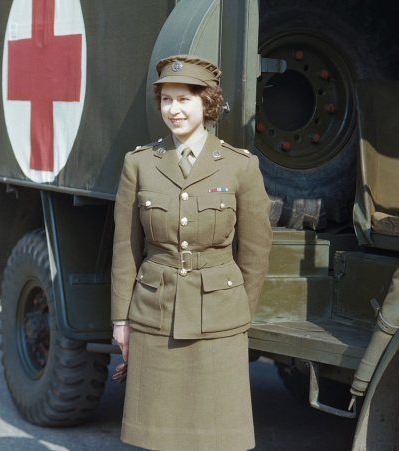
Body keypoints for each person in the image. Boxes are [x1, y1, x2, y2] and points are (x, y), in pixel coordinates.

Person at [111, 54, 272, 450]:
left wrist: (237, 310)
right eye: (166, 99)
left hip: (219, 317)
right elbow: (125, 248)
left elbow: (255, 250)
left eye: (184, 99)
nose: (174, 109)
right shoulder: (140, 164)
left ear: (208, 103)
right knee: (156, 433)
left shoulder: (240, 167)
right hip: (155, 312)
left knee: (216, 435)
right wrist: (121, 320)